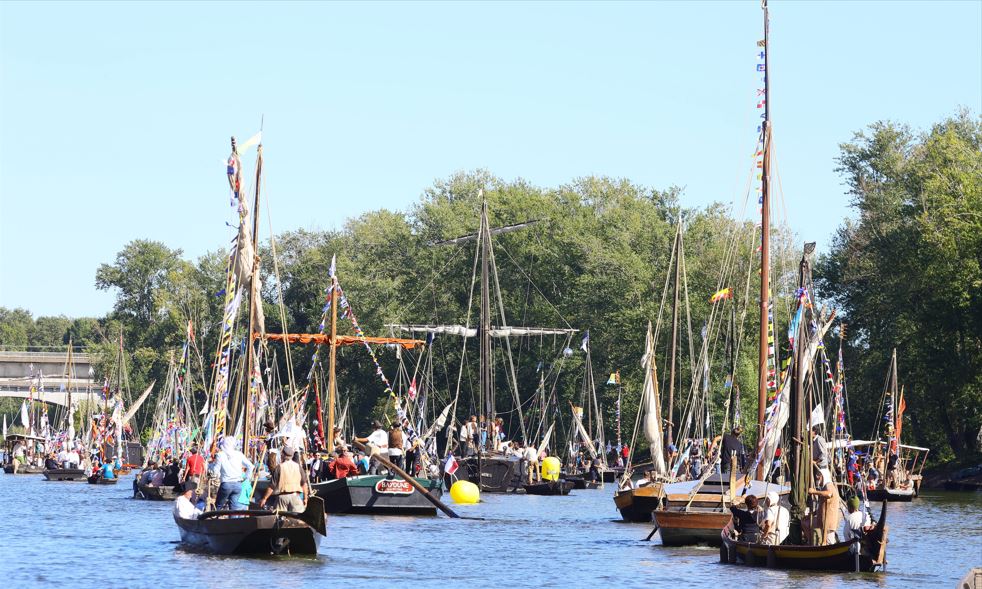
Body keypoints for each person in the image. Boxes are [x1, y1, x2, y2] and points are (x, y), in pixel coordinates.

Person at [259, 445, 309, 513]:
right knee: (298, 520)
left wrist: (264, 499)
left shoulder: (279, 467)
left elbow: (272, 486)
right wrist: (305, 498)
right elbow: (304, 484)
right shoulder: (298, 467)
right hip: (295, 497)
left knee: (279, 519)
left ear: (282, 455)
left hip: (282, 497)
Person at [209, 436, 254, 510]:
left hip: (226, 484)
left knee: (218, 506)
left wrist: (210, 467)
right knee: (234, 509)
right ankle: (233, 521)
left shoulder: (220, 455)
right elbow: (250, 466)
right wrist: (246, 478)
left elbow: (215, 471)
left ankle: (214, 519)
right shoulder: (239, 454)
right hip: (238, 484)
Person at [803, 468, 841, 546]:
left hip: (828, 523)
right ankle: (812, 544)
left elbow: (829, 494)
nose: (817, 478)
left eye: (819, 476)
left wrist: (814, 492)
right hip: (822, 522)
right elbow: (823, 506)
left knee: (829, 543)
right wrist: (812, 514)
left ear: (824, 476)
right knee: (805, 522)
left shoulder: (829, 486)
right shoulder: (825, 487)